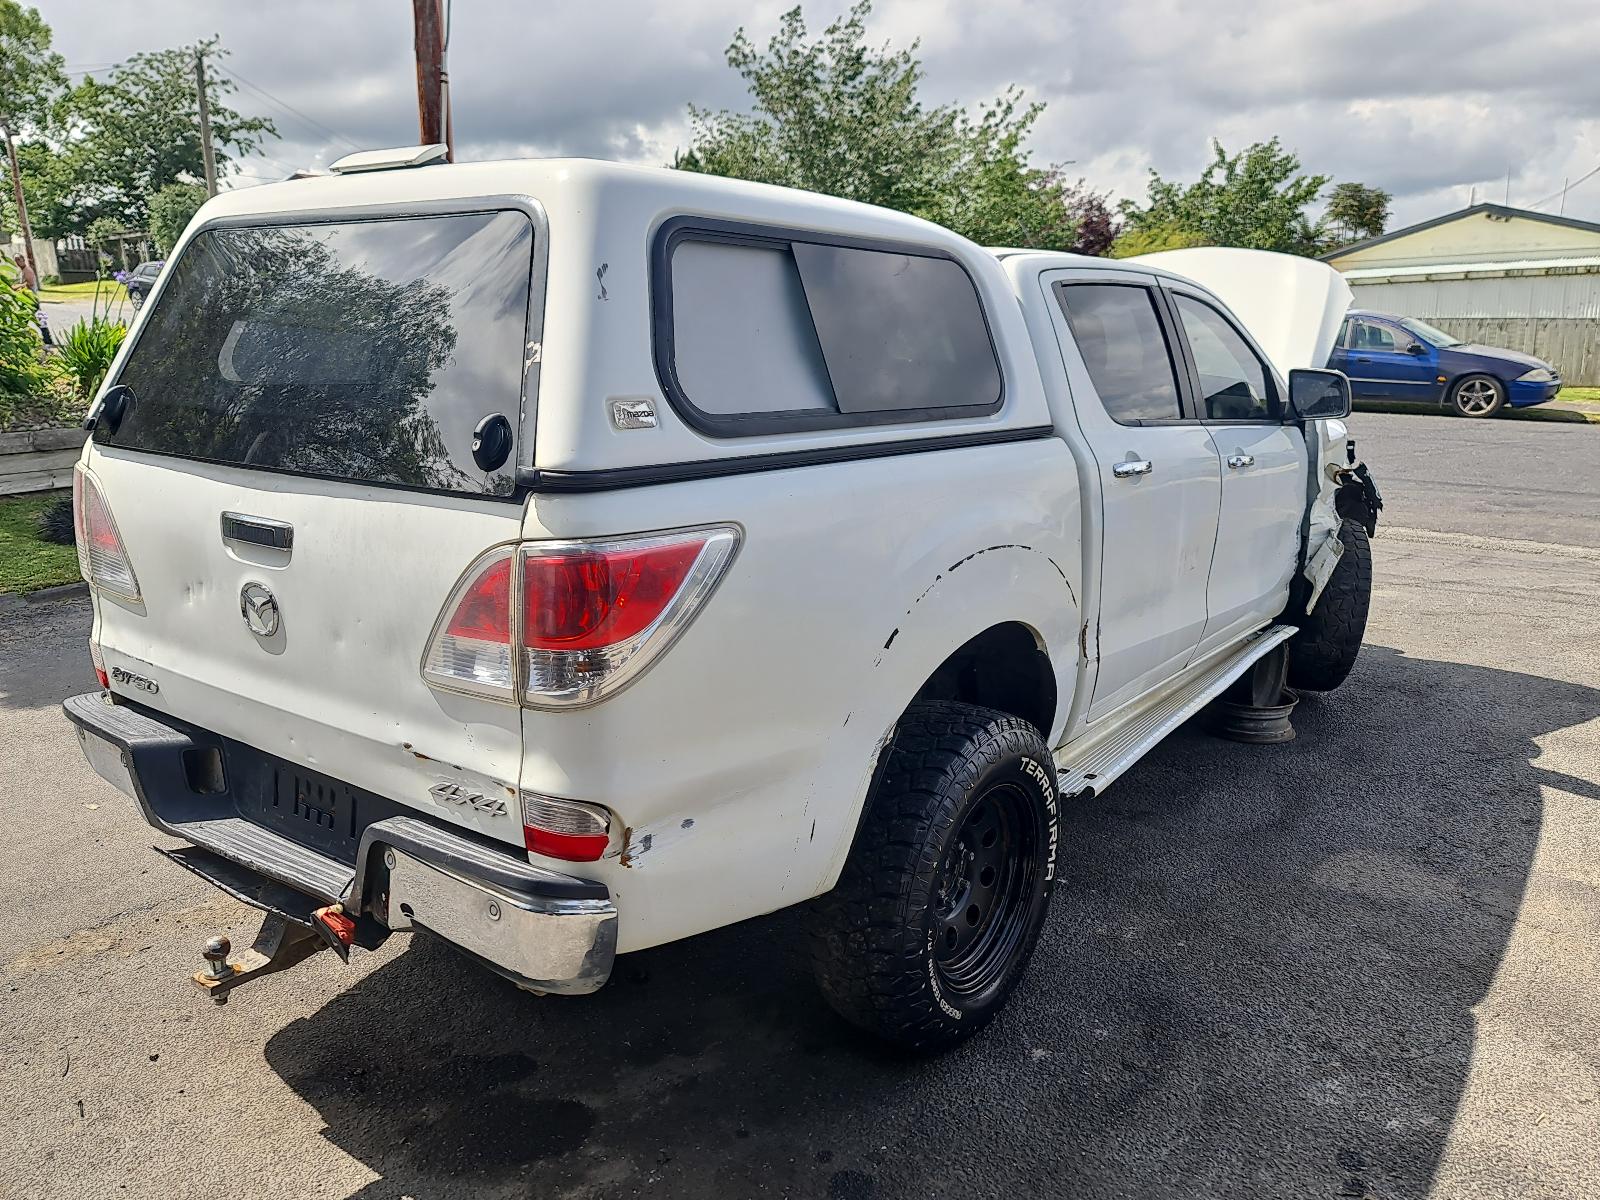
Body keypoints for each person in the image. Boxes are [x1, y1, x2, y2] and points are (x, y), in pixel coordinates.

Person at [10, 253, 52, 346]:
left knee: (38, 318)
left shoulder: (27, 270)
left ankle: (47, 338)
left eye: (18, 259)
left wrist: (16, 287)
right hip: (26, 299)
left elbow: (30, 283)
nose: (17, 262)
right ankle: (20, 338)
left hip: (32, 299)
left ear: (23, 260)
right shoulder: (23, 271)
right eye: (15, 260)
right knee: (24, 318)